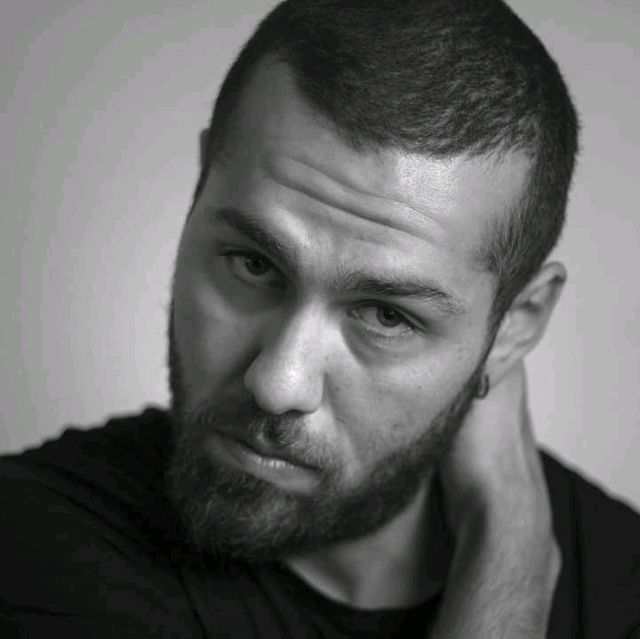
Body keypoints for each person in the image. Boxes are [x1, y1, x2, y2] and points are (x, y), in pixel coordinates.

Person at [1, 0, 639, 636]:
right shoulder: (35, 536)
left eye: (386, 316)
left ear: (514, 326)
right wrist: (513, 538)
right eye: (253, 265)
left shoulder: (626, 587)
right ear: (200, 190)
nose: (278, 384)